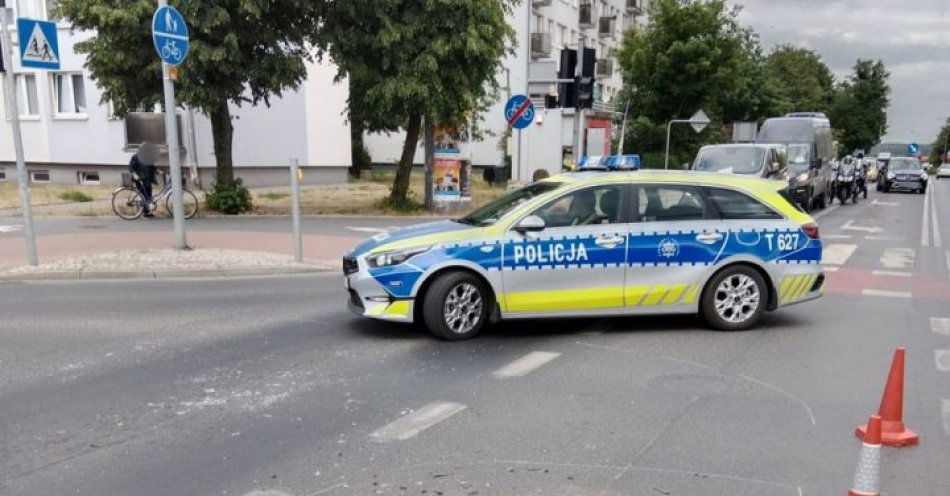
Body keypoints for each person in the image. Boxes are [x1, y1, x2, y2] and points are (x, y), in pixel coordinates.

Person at [129, 142, 158, 217]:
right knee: (144, 196)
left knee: (149, 195)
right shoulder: (135, 157)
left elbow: (152, 167)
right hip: (140, 179)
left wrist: (158, 171)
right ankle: (145, 212)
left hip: (147, 179)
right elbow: (131, 167)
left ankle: (148, 211)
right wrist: (134, 174)